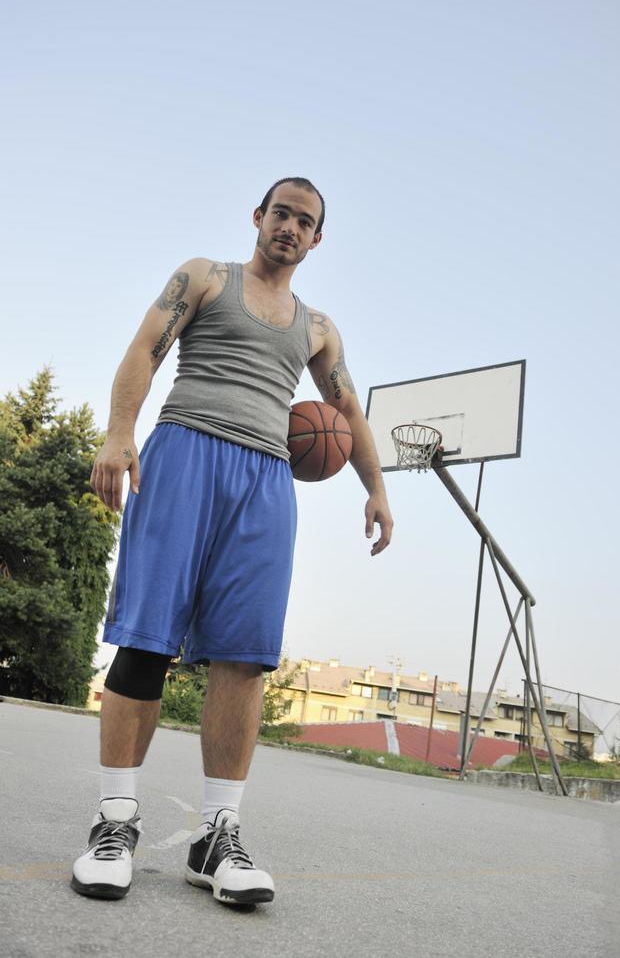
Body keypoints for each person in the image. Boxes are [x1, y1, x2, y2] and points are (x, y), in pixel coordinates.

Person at [71, 177, 393, 907]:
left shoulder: (317, 329)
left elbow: (347, 408)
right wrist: (120, 433)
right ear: (258, 217)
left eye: (304, 221)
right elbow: (146, 347)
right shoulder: (204, 277)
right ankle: (114, 822)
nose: (289, 226)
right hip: (185, 453)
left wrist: (376, 489)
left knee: (245, 657)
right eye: (281, 212)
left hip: (267, 479)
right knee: (146, 639)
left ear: (317, 240)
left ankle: (218, 834)